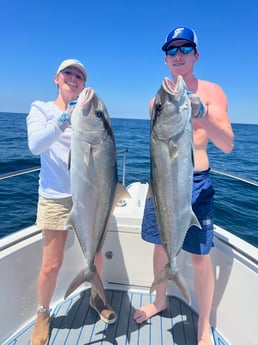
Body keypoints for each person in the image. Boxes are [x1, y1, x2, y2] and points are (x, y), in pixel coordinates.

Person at [133, 27, 234, 345]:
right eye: (172, 51)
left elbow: (227, 144)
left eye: (185, 49)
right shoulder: (155, 103)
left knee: (200, 258)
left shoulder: (212, 92)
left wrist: (201, 113)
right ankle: (160, 300)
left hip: (197, 184)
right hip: (162, 183)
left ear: (196, 55)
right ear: (165, 59)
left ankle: (204, 325)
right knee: (160, 246)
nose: (178, 55)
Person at [27, 59, 117, 345]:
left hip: (90, 196)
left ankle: (96, 298)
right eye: (69, 73)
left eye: (80, 75)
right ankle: (43, 314)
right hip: (55, 197)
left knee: (96, 256)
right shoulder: (41, 109)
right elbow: (35, 145)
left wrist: (90, 112)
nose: (74, 78)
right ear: (57, 78)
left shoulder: (86, 113)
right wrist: (65, 118)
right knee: (51, 265)